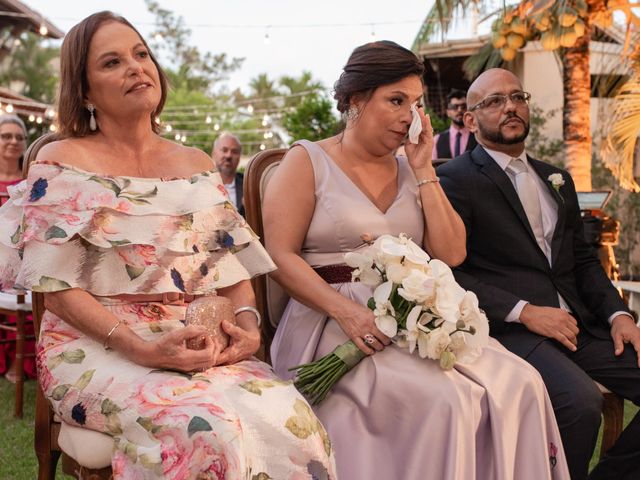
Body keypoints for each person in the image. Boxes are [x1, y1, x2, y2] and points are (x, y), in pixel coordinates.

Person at [0, 12, 335, 479]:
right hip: (99, 345)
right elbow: (55, 287)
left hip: (195, 340)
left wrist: (248, 327)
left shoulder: (195, 163)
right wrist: (142, 349)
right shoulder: (62, 161)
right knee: (206, 429)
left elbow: (230, 267)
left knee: (296, 425)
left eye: (141, 55)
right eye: (112, 62)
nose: (137, 67)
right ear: (84, 90)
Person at [264, 41, 570, 480]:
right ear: (355, 99)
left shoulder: (413, 169)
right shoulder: (307, 161)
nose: (410, 116)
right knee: (446, 401)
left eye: (416, 104)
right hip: (331, 320)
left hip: (411, 316)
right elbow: (278, 256)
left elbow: (451, 253)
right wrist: (346, 312)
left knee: (522, 382)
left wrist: (425, 169)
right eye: (396, 101)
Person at [438, 67, 640, 480]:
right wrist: (524, 311)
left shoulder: (557, 178)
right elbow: (447, 271)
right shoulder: (453, 179)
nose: (510, 106)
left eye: (517, 97)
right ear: (471, 120)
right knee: (580, 405)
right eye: (494, 101)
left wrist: (619, 316)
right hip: (513, 332)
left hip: (580, 327)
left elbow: (582, 260)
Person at [0, 114, 37, 382]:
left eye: (19, 137)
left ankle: (19, 364)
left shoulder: (32, 179)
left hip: (24, 255)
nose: (13, 141)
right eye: (5, 136)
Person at [432, 88, 477, 161]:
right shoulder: (437, 140)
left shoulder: (478, 137)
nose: (459, 110)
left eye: (463, 107)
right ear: (448, 112)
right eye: (455, 107)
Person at [211, 132, 244, 216]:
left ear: (239, 156)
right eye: (224, 150)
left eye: (234, 151)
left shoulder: (248, 185)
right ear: (213, 154)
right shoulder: (200, 185)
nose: (228, 155)